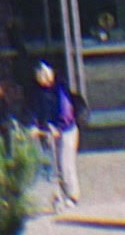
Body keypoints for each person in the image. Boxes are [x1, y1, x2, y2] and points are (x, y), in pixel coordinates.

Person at [28, 60, 84, 213]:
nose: (42, 82)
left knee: (66, 164)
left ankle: (72, 196)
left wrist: (58, 128)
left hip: (66, 130)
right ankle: (59, 195)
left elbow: (66, 111)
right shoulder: (39, 91)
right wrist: (34, 125)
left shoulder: (60, 89)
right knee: (53, 165)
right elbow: (35, 109)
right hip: (50, 130)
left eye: (43, 79)